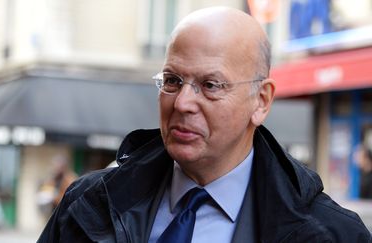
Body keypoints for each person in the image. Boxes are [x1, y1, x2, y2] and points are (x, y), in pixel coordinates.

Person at [37, 7, 372, 243]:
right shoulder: (87, 204)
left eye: (211, 85)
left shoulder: (334, 235)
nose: (182, 103)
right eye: (172, 80)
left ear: (262, 101)